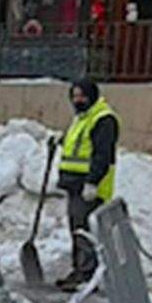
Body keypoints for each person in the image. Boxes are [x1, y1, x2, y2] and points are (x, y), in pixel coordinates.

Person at [56, 77, 119, 290]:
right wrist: (60, 140)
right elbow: (79, 146)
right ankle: (80, 271)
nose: (78, 100)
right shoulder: (82, 118)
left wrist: (92, 182)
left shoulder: (103, 119)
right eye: (74, 96)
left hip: (89, 186)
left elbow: (103, 155)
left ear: (92, 96)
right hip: (74, 184)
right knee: (77, 229)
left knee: (84, 231)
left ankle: (86, 275)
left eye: (82, 95)